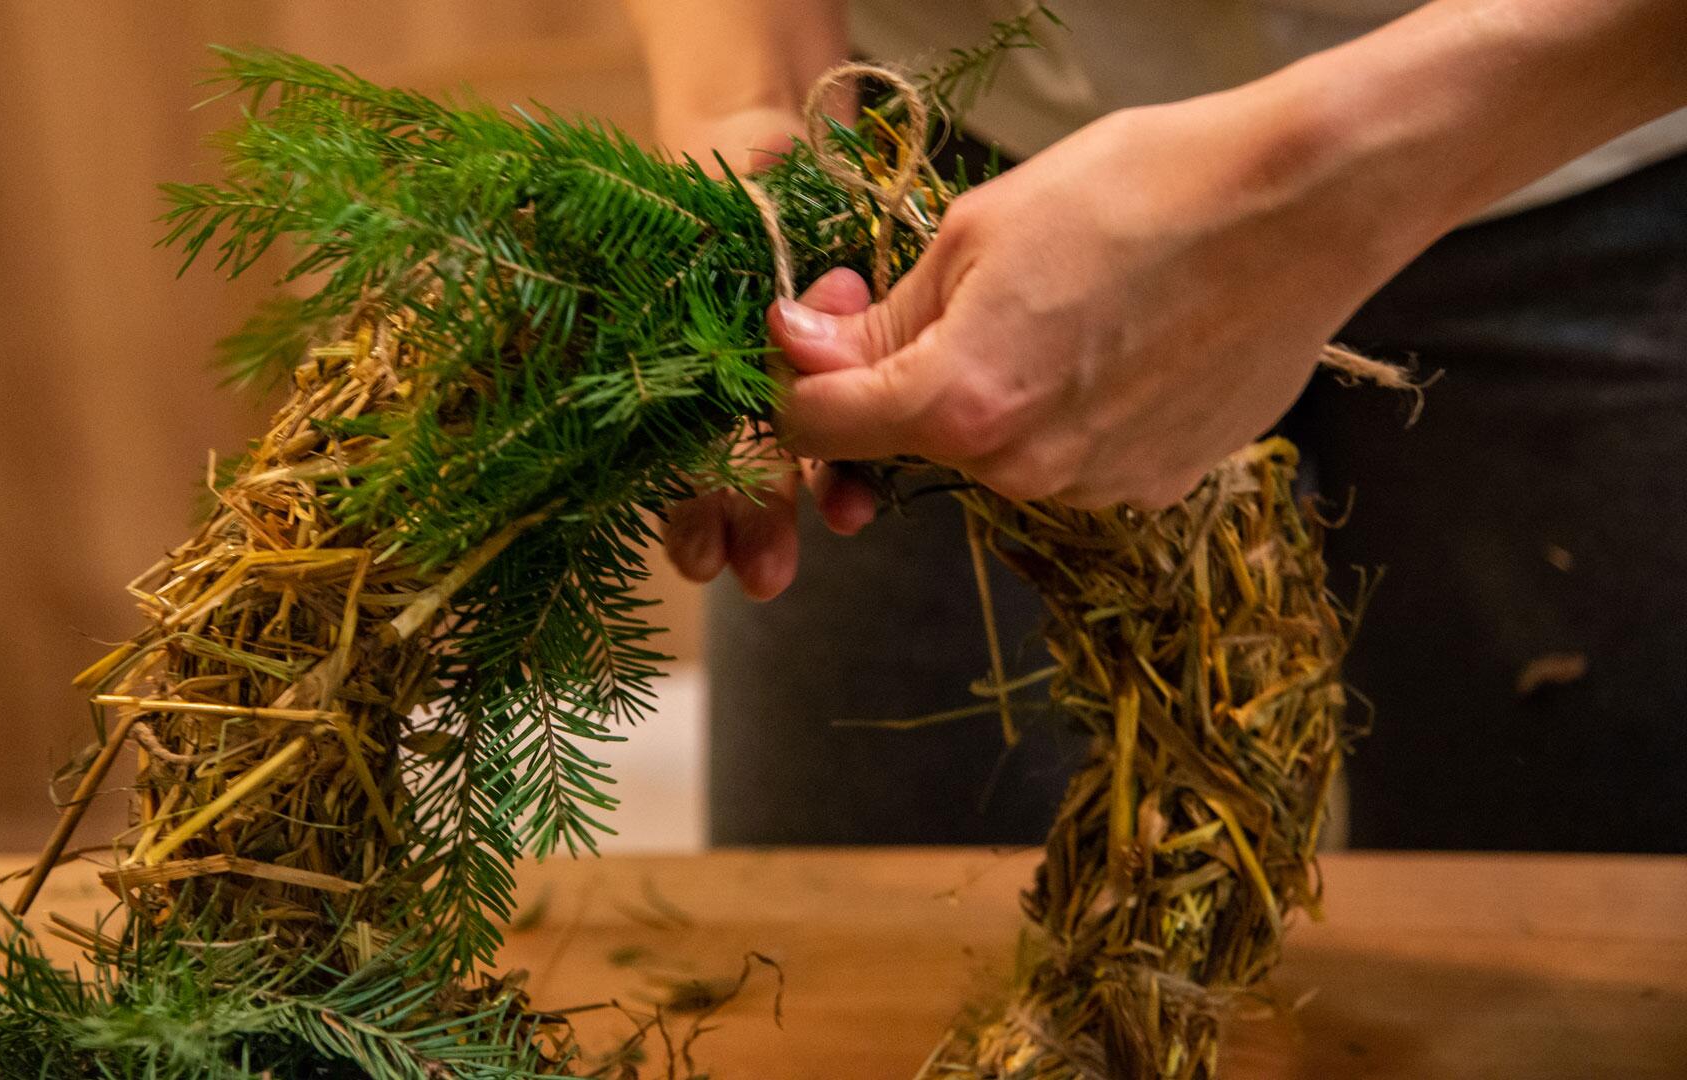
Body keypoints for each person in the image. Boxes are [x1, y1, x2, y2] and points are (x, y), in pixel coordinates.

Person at [622, 0, 1687, 853]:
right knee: (857, 935)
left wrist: (1311, 181)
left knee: (1562, 933)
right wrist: (749, 111)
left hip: (1585, 146)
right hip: (936, 169)